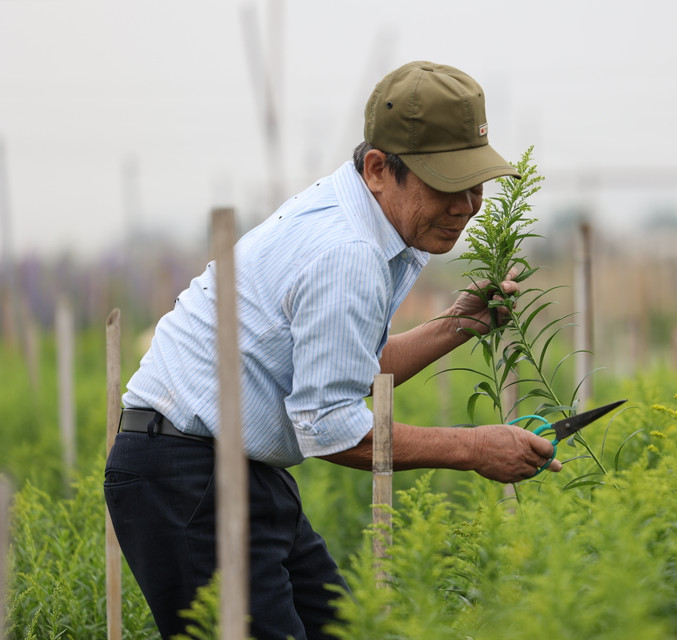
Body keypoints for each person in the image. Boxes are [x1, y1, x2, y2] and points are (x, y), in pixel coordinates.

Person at [104, 60, 561, 640]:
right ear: (378, 168)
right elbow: (333, 426)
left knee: (345, 630)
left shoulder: (365, 221)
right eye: (448, 184)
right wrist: (476, 448)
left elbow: (343, 374)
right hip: (185, 478)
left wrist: (457, 326)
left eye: (476, 184)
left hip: (235, 468)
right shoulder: (347, 250)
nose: (467, 205)